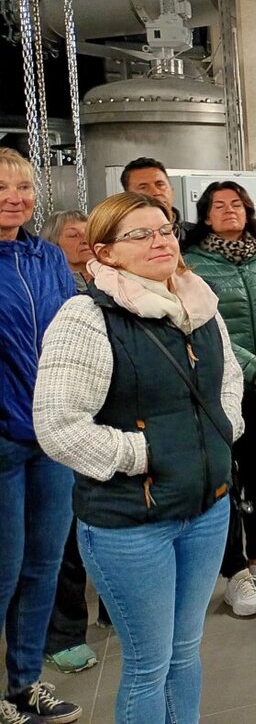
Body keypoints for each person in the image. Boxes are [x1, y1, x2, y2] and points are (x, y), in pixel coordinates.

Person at [34, 191, 242, 724]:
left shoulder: (199, 302)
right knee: (150, 665)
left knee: (185, 651)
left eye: (166, 230)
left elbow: (228, 383)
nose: (160, 241)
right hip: (131, 523)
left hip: (207, 509)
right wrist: (145, 452)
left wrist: (223, 432)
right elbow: (58, 426)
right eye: (140, 234)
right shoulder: (87, 318)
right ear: (105, 252)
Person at [183, 181, 256, 618]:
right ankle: (234, 572)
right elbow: (201, 324)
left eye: (237, 204)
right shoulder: (191, 265)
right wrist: (250, 366)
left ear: (248, 211)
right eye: (219, 205)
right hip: (221, 387)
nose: (229, 210)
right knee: (226, 476)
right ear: (206, 216)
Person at [0, 148, 82, 724]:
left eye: (24, 187)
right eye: (1, 188)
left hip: (51, 436)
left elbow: (71, 331)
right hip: (3, 441)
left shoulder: (48, 257)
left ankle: (24, 684)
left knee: (43, 564)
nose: (15, 198)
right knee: (3, 571)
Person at [39, 210, 104, 676]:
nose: (82, 240)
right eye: (71, 234)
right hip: (62, 421)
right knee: (63, 536)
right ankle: (64, 633)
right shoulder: (48, 290)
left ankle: (112, 609)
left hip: (107, 420)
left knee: (101, 524)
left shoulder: (107, 283)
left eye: (88, 233)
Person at [120, 156, 194, 237]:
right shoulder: (119, 236)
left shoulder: (199, 236)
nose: (155, 192)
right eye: (143, 187)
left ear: (172, 190)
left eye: (160, 185)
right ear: (128, 197)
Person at [41, 210, 93, 290]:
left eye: (90, 233)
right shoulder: (46, 288)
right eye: (74, 235)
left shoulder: (111, 280)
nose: (85, 240)